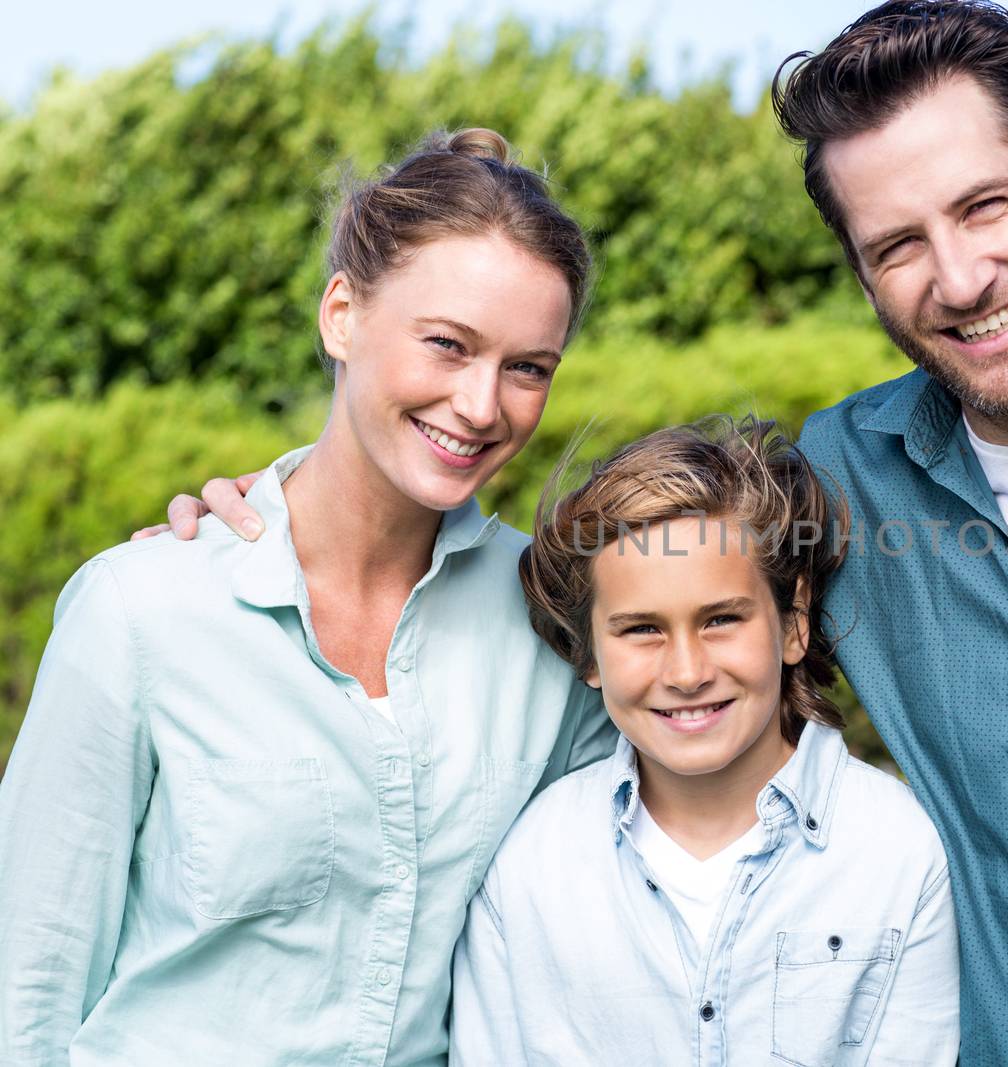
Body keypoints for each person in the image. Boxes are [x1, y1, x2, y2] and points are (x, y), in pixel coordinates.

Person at [157, 3, 1008, 1064]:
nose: (958, 276)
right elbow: (640, 572)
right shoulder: (838, 477)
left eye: (986, 204)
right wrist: (286, 510)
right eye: (896, 243)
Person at [0, 128, 612, 1066]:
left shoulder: (555, 621)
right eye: (448, 345)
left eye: (529, 366)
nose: (484, 405)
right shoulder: (141, 611)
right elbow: (26, 988)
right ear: (342, 315)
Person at [448, 417, 960, 1065]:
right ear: (589, 653)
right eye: (640, 629)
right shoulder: (532, 868)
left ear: (794, 621)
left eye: (721, 619)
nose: (687, 672)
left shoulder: (896, 850)